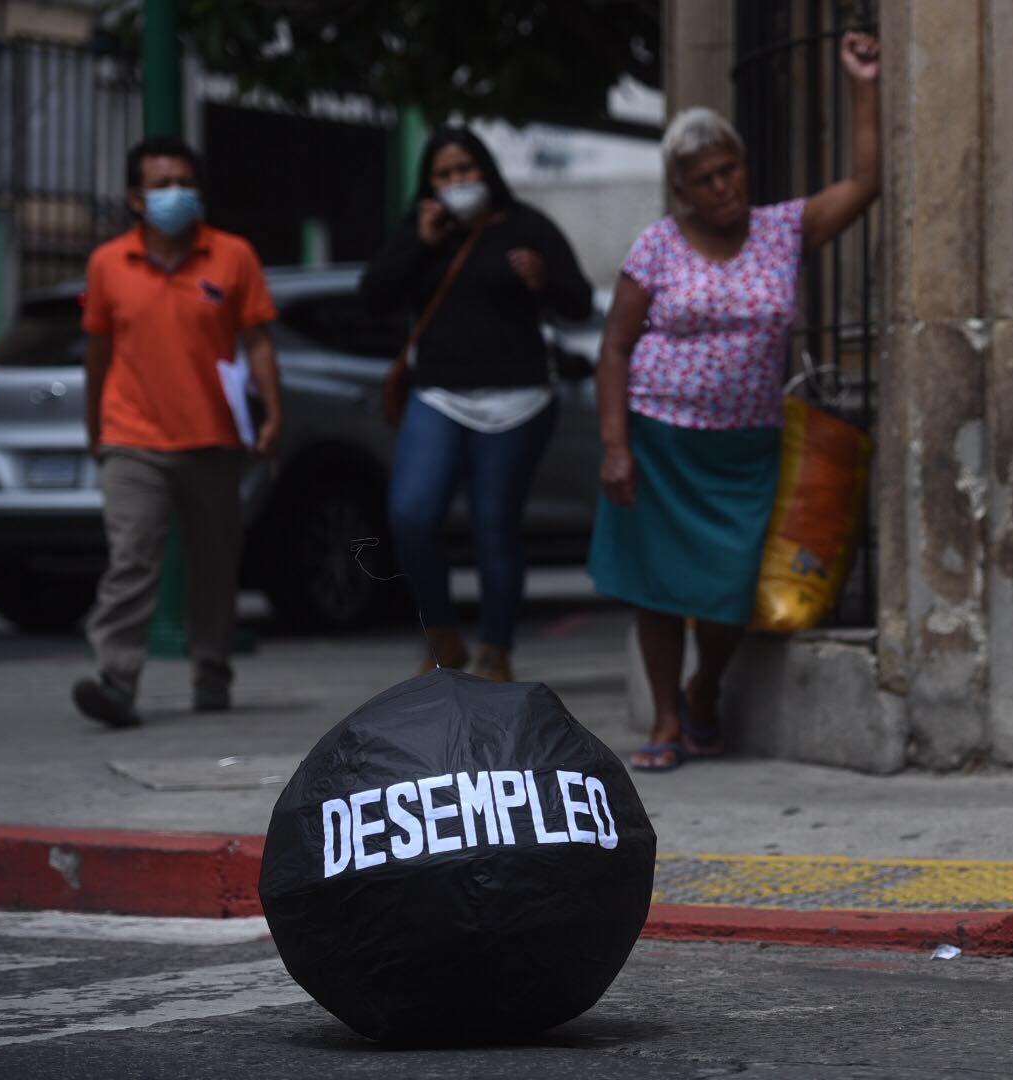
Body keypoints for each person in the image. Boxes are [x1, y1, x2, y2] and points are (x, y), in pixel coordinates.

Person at [589, 32, 881, 771]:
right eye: (705, 179)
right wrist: (616, 444)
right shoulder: (656, 246)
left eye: (731, 169)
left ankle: (705, 687)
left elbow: (866, 183)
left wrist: (862, 84)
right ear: (681, 190)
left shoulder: (784, 231)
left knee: (728, 592)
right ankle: (663, 721)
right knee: (657, 591)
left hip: (743, 447)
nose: (724, 187)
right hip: (659, 438)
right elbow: (615, 347)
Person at [361, 126, 592, 682]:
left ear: (487, 171)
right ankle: (442, 637)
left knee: (496, 523)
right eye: (445, 173)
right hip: (438, 394)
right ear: (430, 184)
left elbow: (579, 304)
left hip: (518, 400)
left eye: (467, 169)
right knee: (411, 513)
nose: (458, 181)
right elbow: (373, 296)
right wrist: (418, 240)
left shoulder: (526, 227)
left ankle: (496, 649)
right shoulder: (422, 231)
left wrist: (541, 280)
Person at [72, 136, 282, 728]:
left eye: (185, 183)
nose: (175, 194)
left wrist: (274, 414)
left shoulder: (233, 256)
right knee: (130, 558)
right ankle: (115, 678)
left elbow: (259, 342)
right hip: (131, 437)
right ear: (136, 198)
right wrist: (95, 428)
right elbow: (98, 353)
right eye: (162, 184)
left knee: (215, 564)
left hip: (214, 438)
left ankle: (211, 669)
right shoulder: (109, 263)